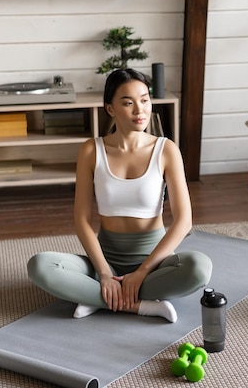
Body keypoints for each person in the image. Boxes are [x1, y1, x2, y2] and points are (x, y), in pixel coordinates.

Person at [27, 69, 212, 323]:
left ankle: (99, 299)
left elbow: (184, 221)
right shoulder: (91, 150)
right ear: (110, 109)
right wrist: (103, 273)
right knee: (40, 265)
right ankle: (142, 305)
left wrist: (142, 272)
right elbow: (81, 220)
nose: (140, 110)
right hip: (105, 260)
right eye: (128, 102)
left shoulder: (166, 149)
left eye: (145, 100)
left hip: (154, 264)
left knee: (199, 268)